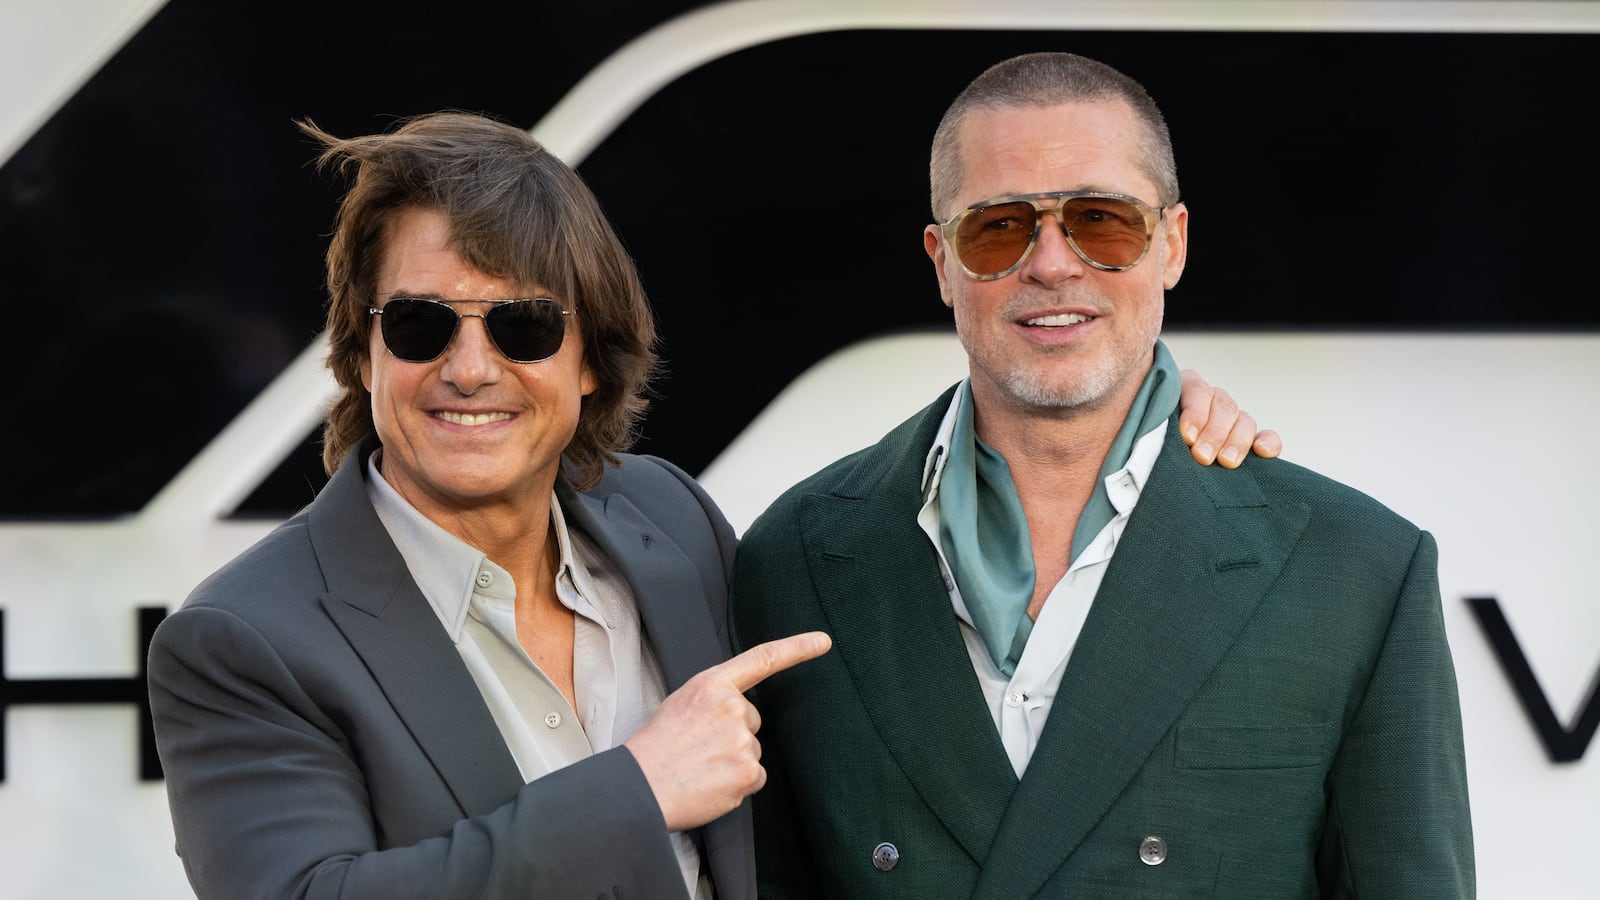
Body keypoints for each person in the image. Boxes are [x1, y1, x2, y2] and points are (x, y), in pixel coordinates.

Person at [145, 111, 1275, 900]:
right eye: (421, 325)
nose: (471, 368)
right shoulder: (245, 640)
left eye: (524, 326)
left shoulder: (668, 525)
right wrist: (636, 790)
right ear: (362, 351)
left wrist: (1137, 415)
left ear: (591, 358)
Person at [728, 51, 1474, 899]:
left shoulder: (1357, 571)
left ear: (1173, 245)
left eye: (1102, 220)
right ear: (942, 262)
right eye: (999, 228)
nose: (1051, 264)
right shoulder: (794, 559)